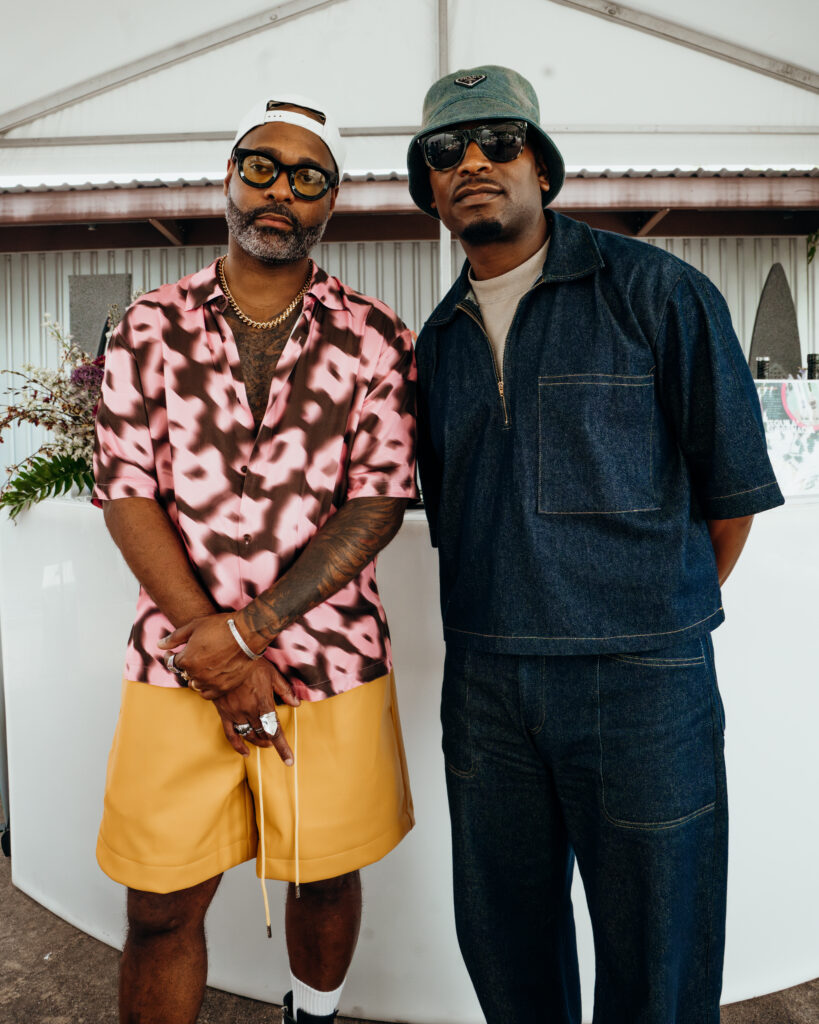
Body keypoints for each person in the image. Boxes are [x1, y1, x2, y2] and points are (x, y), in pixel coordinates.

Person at [407, 66, 784, 1024]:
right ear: (429, 187)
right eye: (445, 153)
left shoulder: (659, 293)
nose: (473, 164)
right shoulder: (437, 341)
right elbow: (452, 514)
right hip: (486, 684)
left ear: (543, 163)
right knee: (506, 947)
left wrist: (643, 618)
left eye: (499, 141)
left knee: (658, 954)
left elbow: (726, 497)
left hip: (641, 681)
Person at [94, 92, 417, 1024]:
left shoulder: (375, 336)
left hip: (330, 662)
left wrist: (252, 631)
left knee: (324, 876)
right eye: (261, 167)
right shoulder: (145, 325)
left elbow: (378, 497)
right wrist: (218, 648)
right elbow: (126, 490)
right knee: (159, 906)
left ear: (333, 201)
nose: (281, 191)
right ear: (229, 179)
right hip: (179, 662)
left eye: (308, 177)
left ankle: (309, 1019)